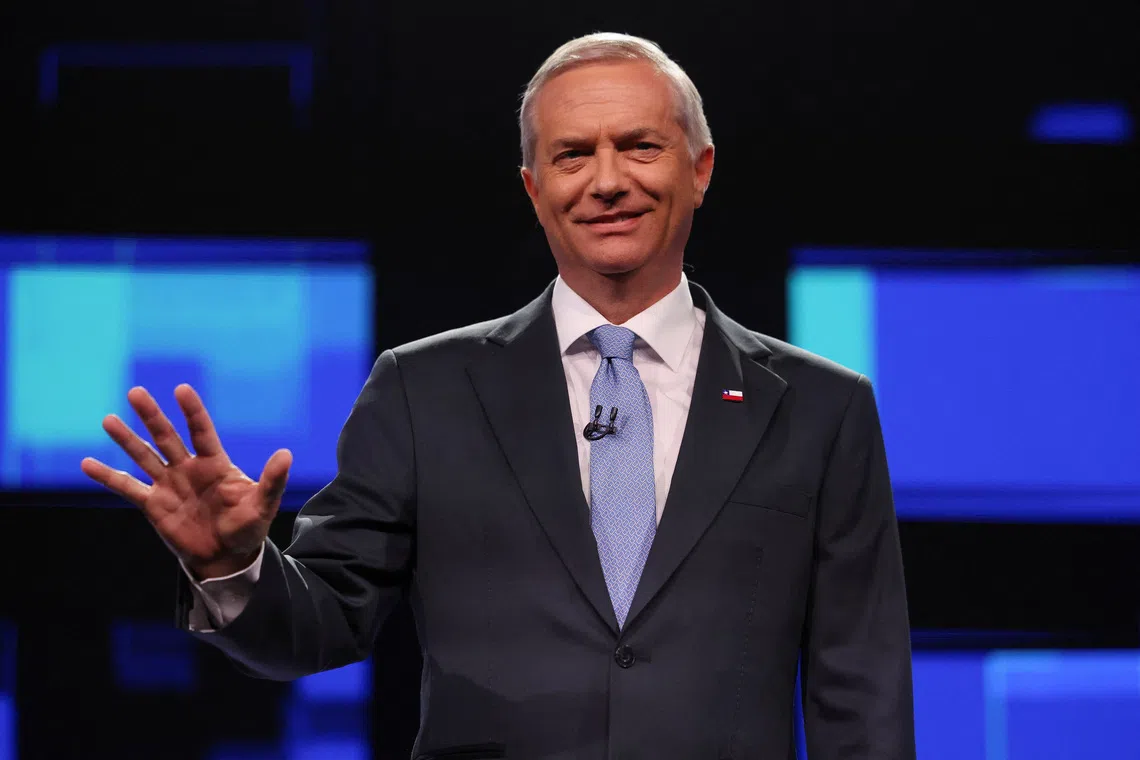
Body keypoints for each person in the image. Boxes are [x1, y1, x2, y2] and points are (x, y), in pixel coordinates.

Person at [82, 32, 915, 760]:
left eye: (640, 146)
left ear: (700, 170)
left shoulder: (819, 409)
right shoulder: (422, 389)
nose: (608, 180)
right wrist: (235, 565)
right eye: (573, 154)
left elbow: (862, 689)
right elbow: (324, 621)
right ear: (533, 188)